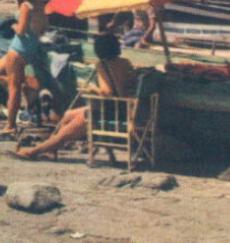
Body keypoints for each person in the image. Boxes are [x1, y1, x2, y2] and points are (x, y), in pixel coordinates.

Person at [16, 33, 138, 161]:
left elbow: (107, 92)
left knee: (70, 128)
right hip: (125, 108)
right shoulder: (125, 63)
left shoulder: (103, 65)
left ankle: (35, 151)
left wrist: (92, 89)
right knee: (69, 114)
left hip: (110, 111)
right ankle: (52, 149)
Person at [0, 0, 51, 139]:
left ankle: (10, 126)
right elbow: (43, 29)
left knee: (13, 89)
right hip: (29, 49)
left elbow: (20, 31)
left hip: (17, 50)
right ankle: (12, 115)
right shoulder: (40, 6)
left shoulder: (26, 7)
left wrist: (13, 25)